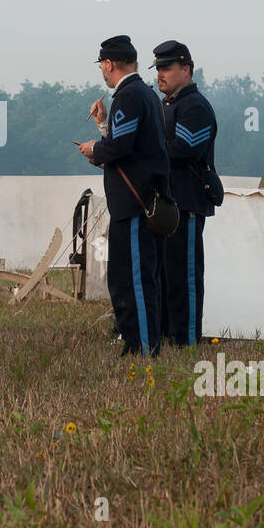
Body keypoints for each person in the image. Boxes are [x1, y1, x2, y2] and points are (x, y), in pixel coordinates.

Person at [78, 35, 170, 357]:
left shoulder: (129, 96)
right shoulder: (145, 95)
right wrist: (104, 127)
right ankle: (136, 344)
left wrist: (94, 149)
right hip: (137, 203)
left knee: (135, 281)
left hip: (134, 205)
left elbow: (119, 148)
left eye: (102, 65)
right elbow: (128, 146)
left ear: (109, 64)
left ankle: (143, 349)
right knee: (126, 278)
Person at [152, 40, 217, 347]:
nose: (160, 74)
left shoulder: (195, 106)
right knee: (166, 276)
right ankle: (169, 334)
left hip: (188, 202)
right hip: (169, 203)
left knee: (185, 277)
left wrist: (147, 150)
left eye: (166, 68)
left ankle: (187, 339)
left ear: (186, 69)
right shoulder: (169, 105)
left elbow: (185, 149)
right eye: (158, 68)